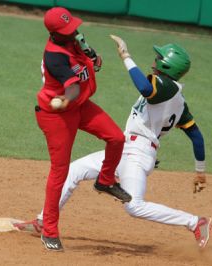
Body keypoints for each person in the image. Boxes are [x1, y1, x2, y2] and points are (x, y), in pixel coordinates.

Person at [16, 34, 212, 249]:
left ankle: (195, 222)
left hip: (136, 153)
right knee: (74, 171)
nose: (154, 61)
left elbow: (145, 89)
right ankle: (43, 221)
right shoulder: (180, 102)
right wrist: (200, 171)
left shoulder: (166, 86)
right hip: (131, 149)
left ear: (167, 64)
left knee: (134, 206)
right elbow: (196, 135)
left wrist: (125, 56)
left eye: (159, 58)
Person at [34, 8, 132, 251]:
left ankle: (105, 181)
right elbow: (73, 86)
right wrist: (67, 99)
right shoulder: (54, 57)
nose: (74, 32)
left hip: (79, 107)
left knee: (116, 138)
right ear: (55, 34)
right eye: (68, 31)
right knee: (60, 171)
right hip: (57, 115)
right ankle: (49, 232)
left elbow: (87, 56)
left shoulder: (73, 38)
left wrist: (94, 58)